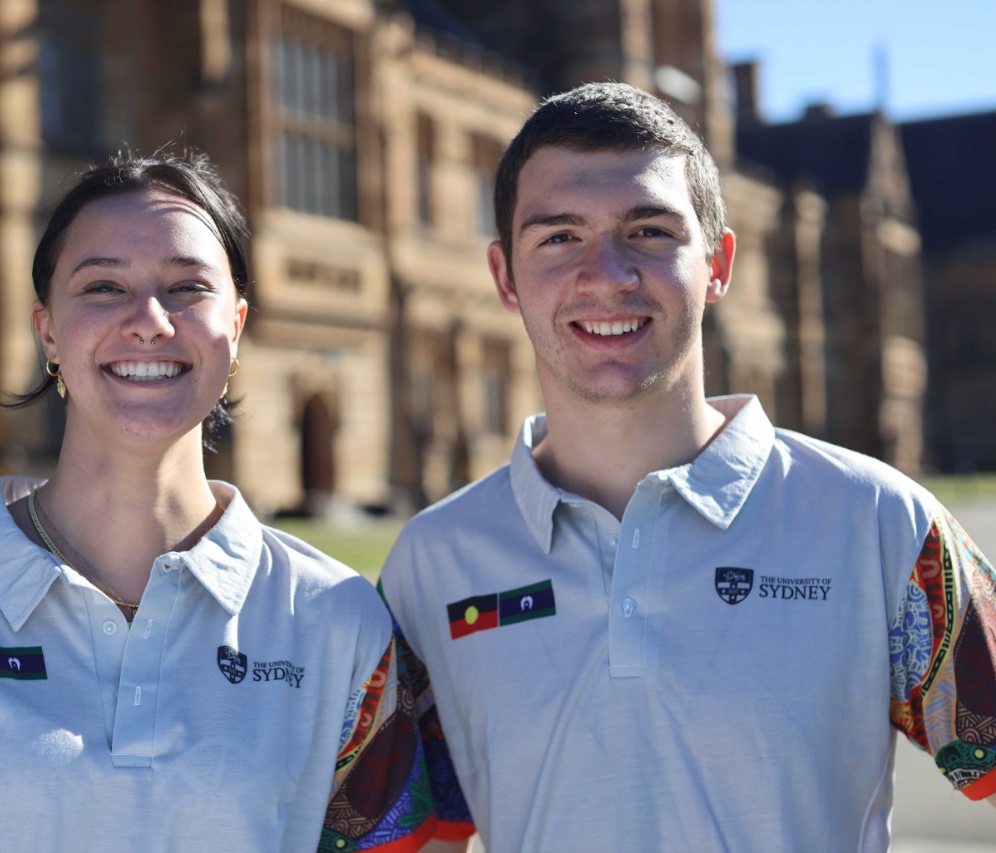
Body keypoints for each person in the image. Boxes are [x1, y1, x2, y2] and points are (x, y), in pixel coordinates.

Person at [378, 82, 996, 853]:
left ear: (718, 263)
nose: (607, 274)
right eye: (560, 237)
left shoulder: (879, 524)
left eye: (649, 230)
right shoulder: (429, 569)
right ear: (506, 276)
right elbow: (415, 842)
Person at [0, 151, 437, 852]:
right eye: (102, 286)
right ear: (48, 330)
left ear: (236, 326)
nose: (149, 320)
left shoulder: (339, 618)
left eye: (187, 287)